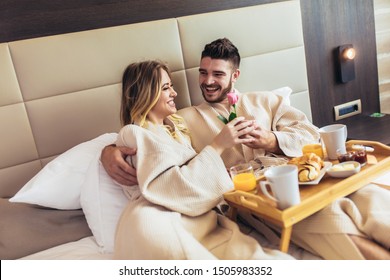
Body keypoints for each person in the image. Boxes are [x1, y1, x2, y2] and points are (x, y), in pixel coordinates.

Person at [103, 38, 390, 260]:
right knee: (339, 228)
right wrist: (110, 150)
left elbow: (311, 134)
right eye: (203, 73)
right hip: (265, 201)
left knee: (374, 204)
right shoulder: (184, 120)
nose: (208, 81)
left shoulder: (268, 102)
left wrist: (271, 140)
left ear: (235, 75)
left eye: (217, 73)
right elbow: (149, 138)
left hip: (311, 180)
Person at [112, 59, 293, 260]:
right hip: (156, 215)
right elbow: (170, 186)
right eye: (166, 88)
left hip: (193, 214)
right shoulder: (134, 132)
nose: (174, 93)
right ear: (146, 93)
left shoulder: (177, 131)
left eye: (171, 86)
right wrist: (218, 145)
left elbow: (191, 178)